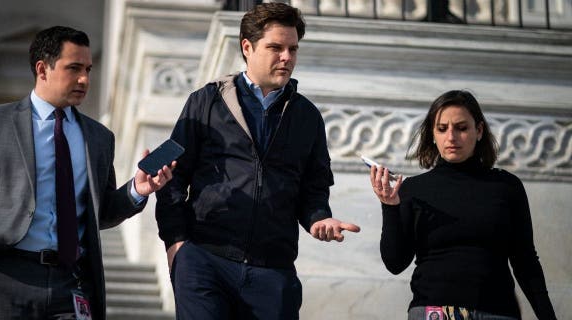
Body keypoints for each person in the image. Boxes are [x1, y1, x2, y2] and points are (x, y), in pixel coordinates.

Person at [0, 26, 174, 320]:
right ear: (42, 69)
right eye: (73, 68)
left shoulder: (99, 138)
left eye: (88, 68)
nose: (84, 79)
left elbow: (101, 214)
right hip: (1, 278)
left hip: (71, 282)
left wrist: (137, 190)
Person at [155, 3, 360, 319]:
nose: (287, 57)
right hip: (204, 262)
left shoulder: (307, 117)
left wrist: (319, 217)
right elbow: (171, 177)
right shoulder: (204, 101)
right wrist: (176, 245)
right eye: (276, 47)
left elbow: (314, 188)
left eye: (293, 48)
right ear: (247, 47)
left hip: (273, 274)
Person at [369, 90, 557, 320]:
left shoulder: (506, 186)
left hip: (497, 312)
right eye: (442, 128)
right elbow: (395, 263)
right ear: (432, 134)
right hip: (434, 312)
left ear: (478, 131)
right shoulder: (413, 189)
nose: (451, 137)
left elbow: (525, 261)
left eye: (461, 128)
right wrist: (390, 207)